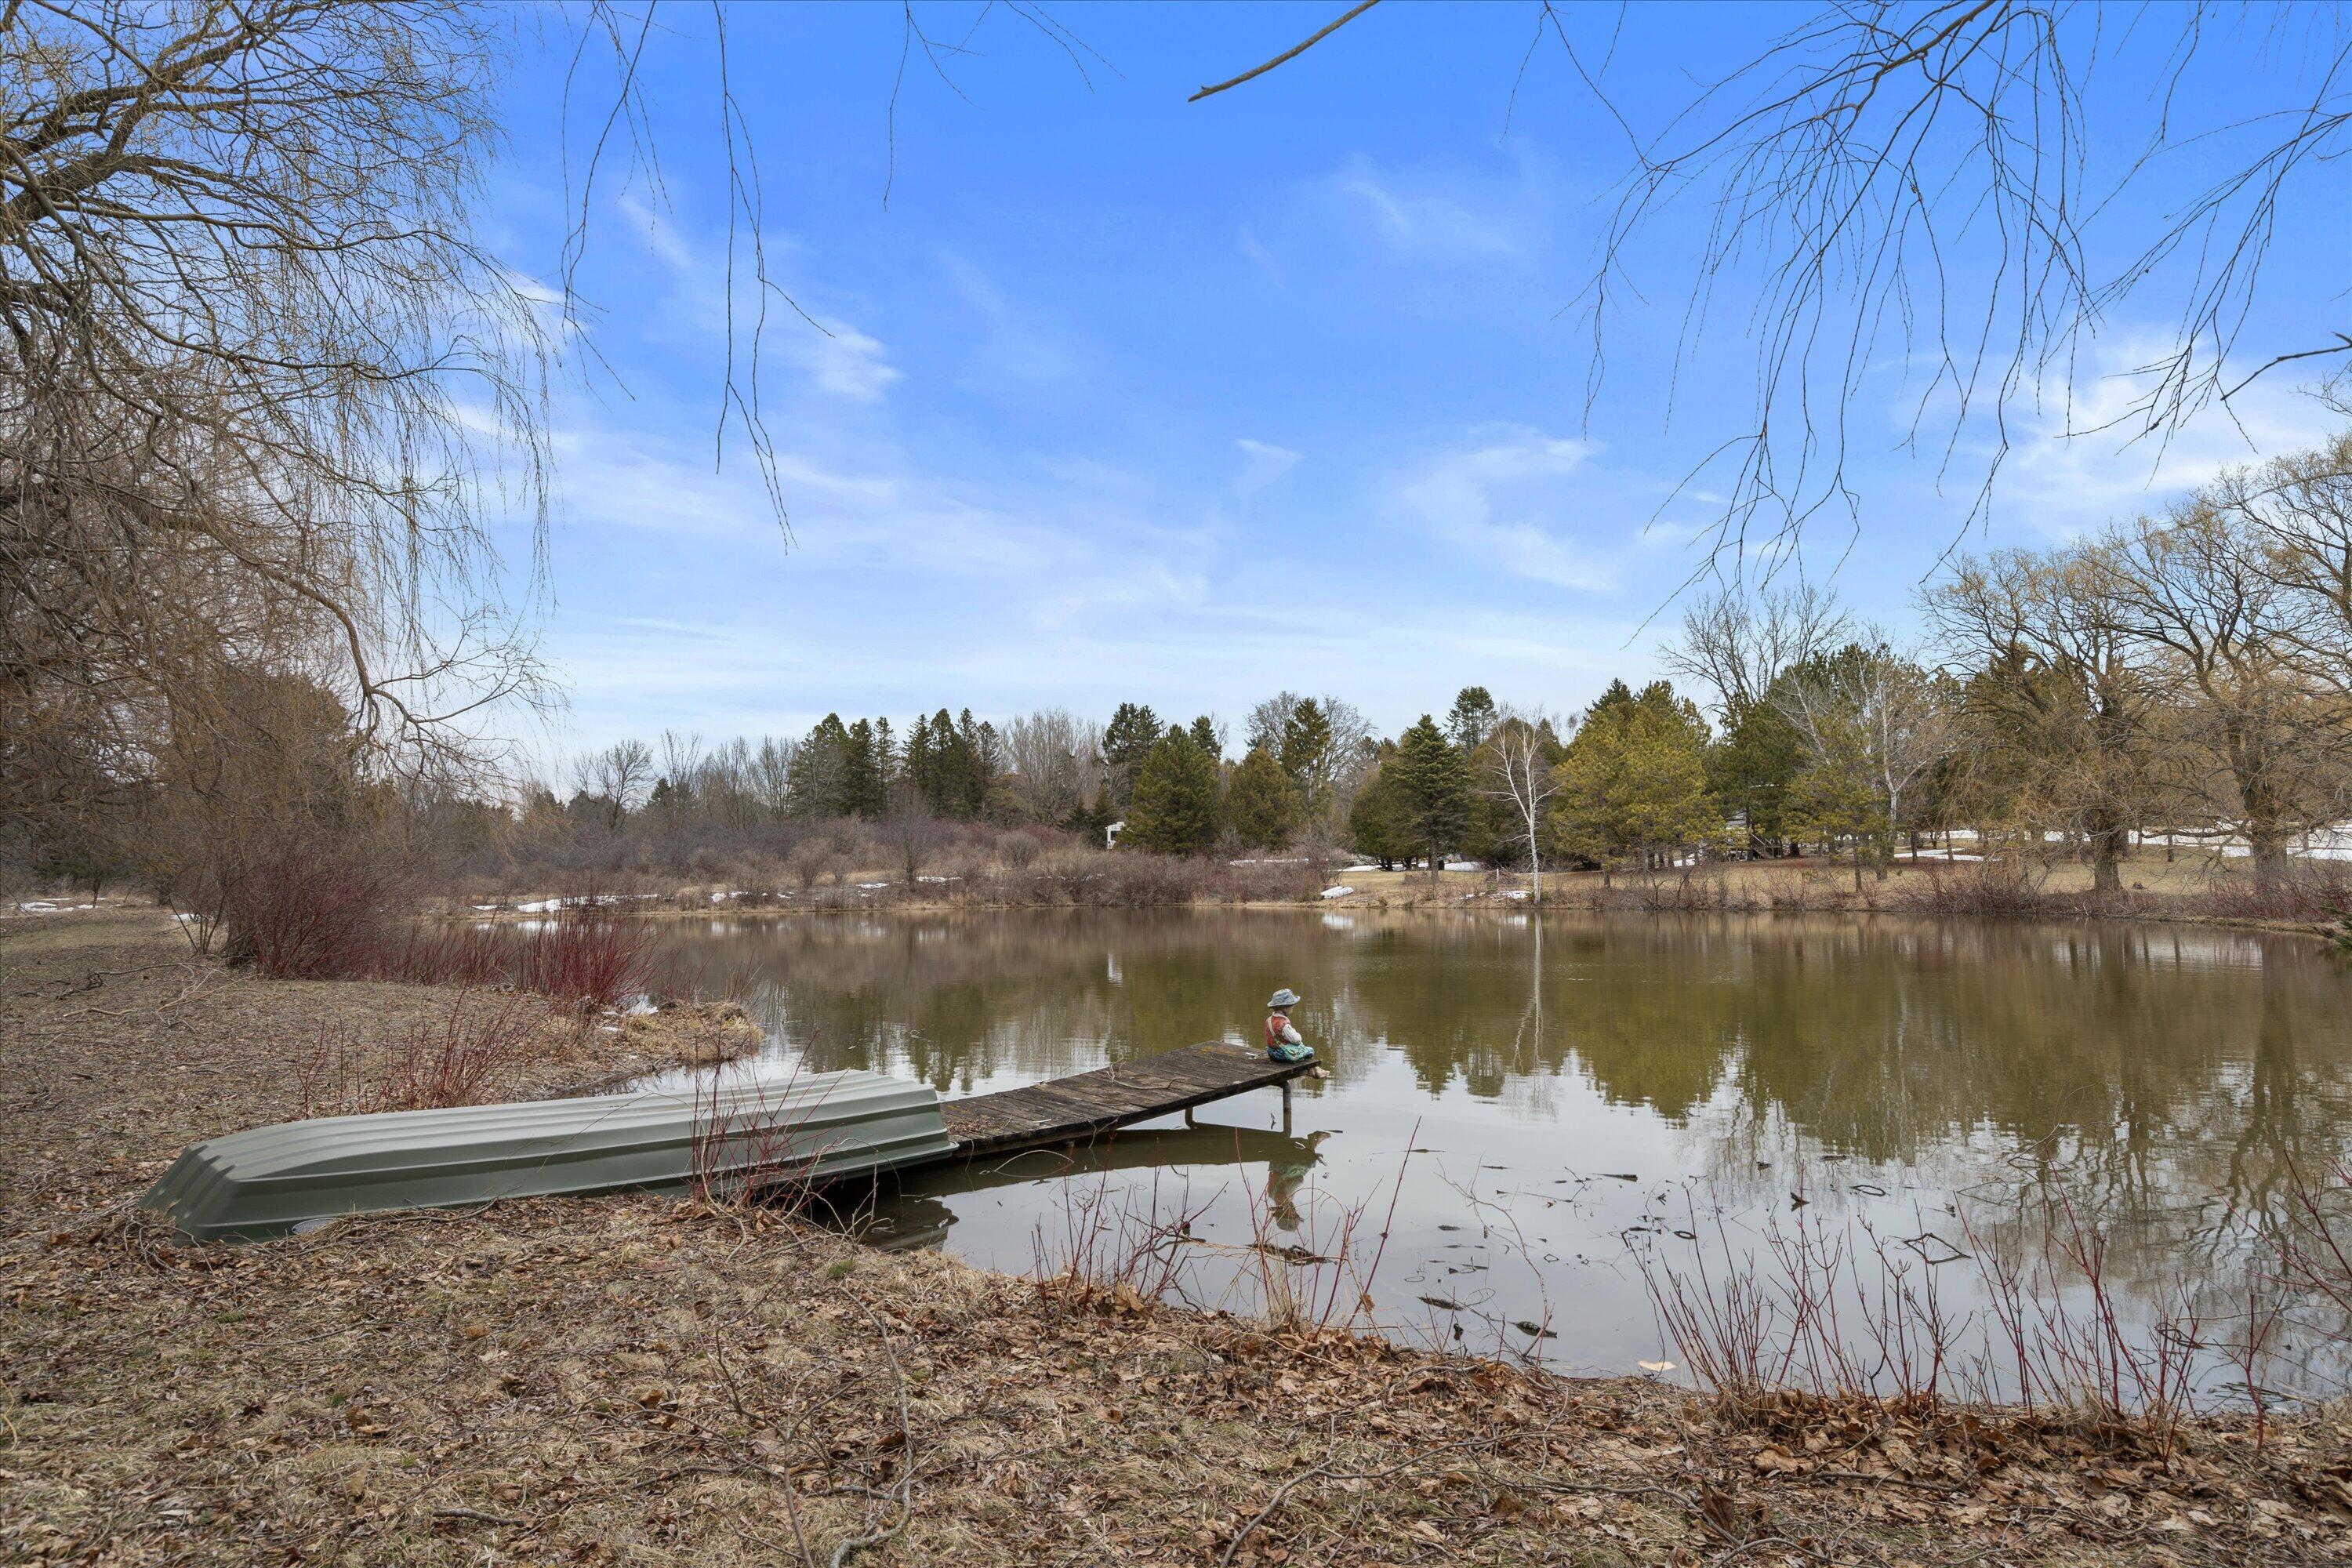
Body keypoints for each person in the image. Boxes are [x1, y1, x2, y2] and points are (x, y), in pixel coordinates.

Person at [1263, 987, 1315, 1063]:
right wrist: (1297, 1034)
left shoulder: (1268, 1020)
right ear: (1285, 1008)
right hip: (1283, 1055)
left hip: (1271, 1052)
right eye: (1292, 1008)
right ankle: (1306, 1065)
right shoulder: (1284, 1025)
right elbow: (1297, 1040)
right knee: (1310, 1050)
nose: (1292, 1010)